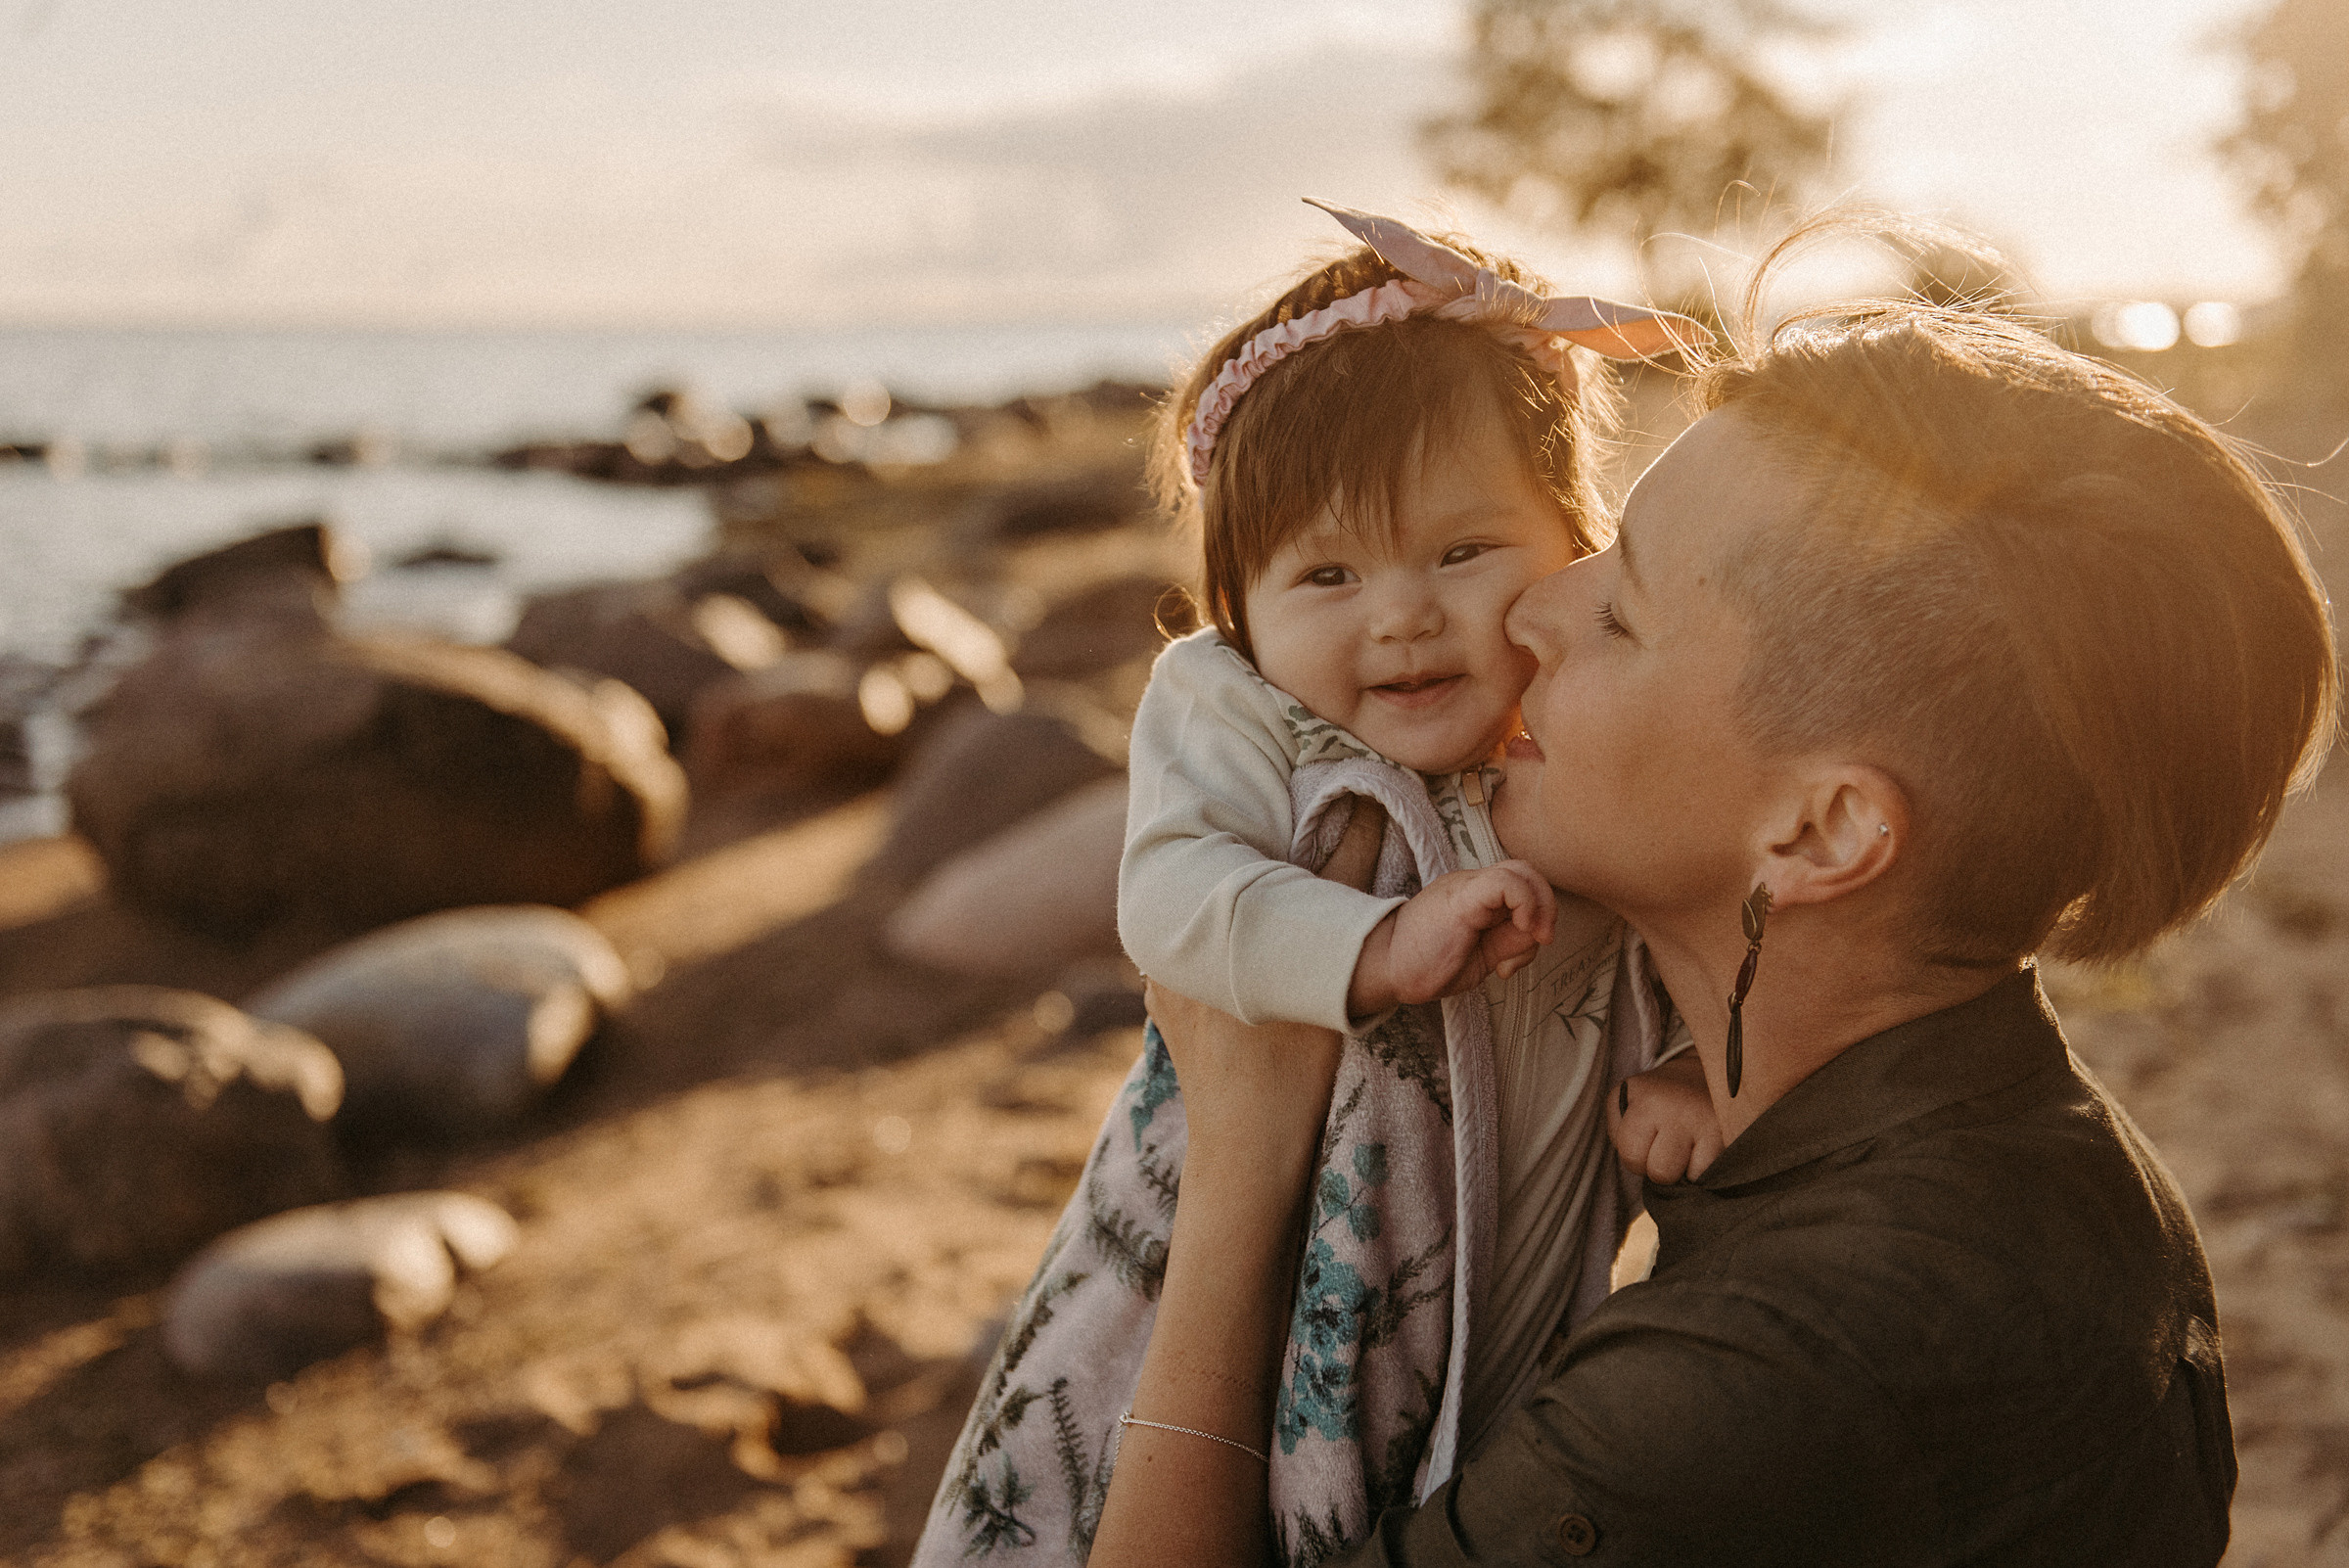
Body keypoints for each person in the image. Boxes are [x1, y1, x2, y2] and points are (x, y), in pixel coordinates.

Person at [1086, 229, 2340, 1566]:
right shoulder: (2013, 1144)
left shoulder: (1767, 1372)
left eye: (1621, 610)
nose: (1530, 615)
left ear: (1818, 830)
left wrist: (1237, 1173)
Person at [914, 205, 1714, 1566]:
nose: (1399, 612)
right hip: (1253, 1250)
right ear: (1240, 605)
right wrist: (1374, 942)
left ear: (1573, 539)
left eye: (1462, 551)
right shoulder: (1237, 711)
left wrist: (1696, 1068)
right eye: (1326, 573)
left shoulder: (1587, 728)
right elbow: (1170, 896)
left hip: (1506, 1285)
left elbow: (1689, 913)